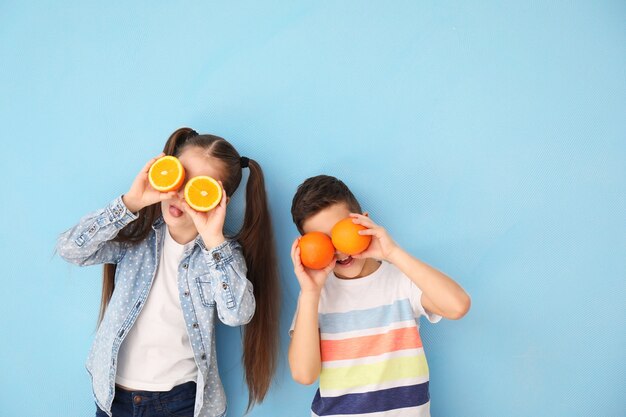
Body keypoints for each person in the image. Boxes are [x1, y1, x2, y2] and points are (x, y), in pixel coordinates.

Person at [56, 127, 279, 417]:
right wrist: (130, 203)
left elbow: (237, 314)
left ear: (217, 199)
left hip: (180, 403)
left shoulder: (221, 256)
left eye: (199, 187)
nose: (181, 196)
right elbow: (70, 249)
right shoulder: (135, 239)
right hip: (113, 400)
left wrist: (214, 240)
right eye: (180, 177)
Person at [288, 175, 471, 417]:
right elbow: (304, 374)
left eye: (342, 232)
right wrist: (310, 294)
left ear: (364, 221)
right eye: (323, 241)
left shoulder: (401, 281)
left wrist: (392, 252)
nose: (339, 249)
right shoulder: (314, 296)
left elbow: (457, 306)